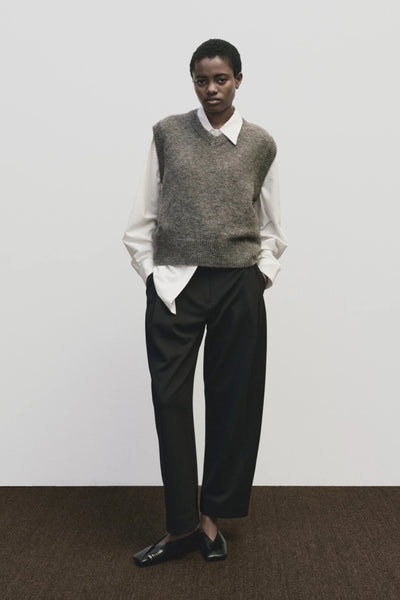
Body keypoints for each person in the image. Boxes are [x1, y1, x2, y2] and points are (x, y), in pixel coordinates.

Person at [122, 38, 288, 567]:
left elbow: (272, 225)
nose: (211, 89)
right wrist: (152, 275)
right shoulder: (168, 134)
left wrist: (261, 275)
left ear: (238, 79)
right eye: (201, 80)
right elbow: (143, 216)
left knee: (233, 402)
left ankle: (212, 521)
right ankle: (181, 527)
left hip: (239, 284)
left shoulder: (260, 144)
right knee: (170, 401)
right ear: (192, 81)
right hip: (177, 286)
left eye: (221, 79)